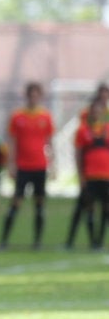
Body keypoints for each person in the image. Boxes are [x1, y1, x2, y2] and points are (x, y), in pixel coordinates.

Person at [0, 82, 54, 250]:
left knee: (39, 203)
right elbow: (11, 141)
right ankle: (4, 241)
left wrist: (53, 163)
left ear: (40, 96)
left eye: (36, 94)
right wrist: (10, 164)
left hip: (40, 165)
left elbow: (50, 142)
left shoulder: (46, 117)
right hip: (22, 166)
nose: (33, 97)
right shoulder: (17, 116)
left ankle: (37, 242)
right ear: (27, 95)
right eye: (31, 94)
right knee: (16, 202)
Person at [66, 84, 109, 248]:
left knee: (105, 208)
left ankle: (99, 241)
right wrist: (81, 175)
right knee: (85, 207)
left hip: (106, 175)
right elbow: (78, 153)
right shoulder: (83, 128)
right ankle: (77, 241)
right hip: (90, 174)